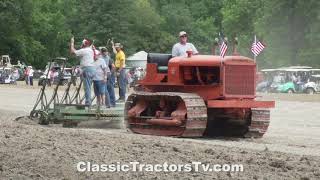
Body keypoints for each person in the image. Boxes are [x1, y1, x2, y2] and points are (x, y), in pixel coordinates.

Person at [70, 37, 95, 105]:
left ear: (83, 44)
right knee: (88, 87)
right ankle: (88, 101)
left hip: (87, 69)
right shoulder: (90, 50)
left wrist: (72, 43)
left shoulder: (84, 50)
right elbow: (77, 53)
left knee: (87, 87)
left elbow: (72, 52)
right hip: (92, 69)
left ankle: (88, 103)